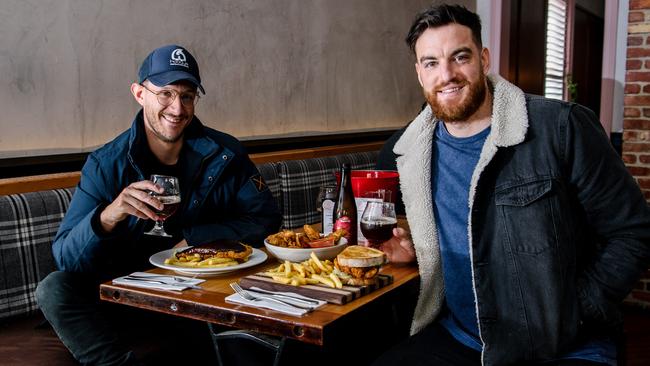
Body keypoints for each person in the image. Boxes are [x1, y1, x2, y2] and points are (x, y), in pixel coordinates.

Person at [374, 4, 650, 366]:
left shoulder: (563, 129)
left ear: (484, 59)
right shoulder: (406, 152)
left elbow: (633, 231)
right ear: (419, 73)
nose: (447, 74)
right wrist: (416, 254)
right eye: (431, 63)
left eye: (460, 57)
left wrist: (578, 309)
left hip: (565, 344)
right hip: (463, 338)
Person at [35, 44, 281, 365]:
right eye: (165, 94)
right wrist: (111, 214)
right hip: (123, 289)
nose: (177, 109)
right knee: (54, 288)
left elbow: (266, 218)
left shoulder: (225, 154)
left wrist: (195, 239)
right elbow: (67, 257)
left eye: (187, 96)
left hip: (197, 289)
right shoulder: (106, 164)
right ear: (139, 94)